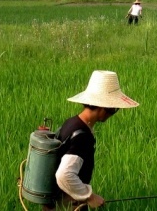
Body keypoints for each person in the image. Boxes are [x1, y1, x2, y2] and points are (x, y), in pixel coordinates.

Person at [49, 70, 140, 210]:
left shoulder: (71, 122)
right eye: (114, 109)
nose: (113, 114)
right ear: (105, 107)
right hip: (67, 203)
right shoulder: (82, 136)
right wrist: (89, 196)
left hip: (55, 200)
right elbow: (64, 174)